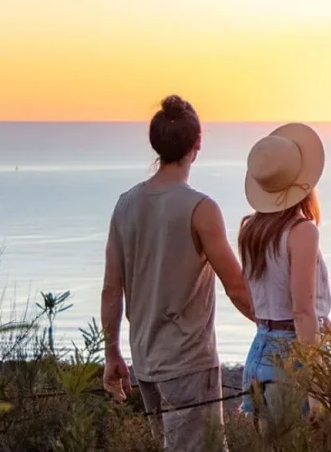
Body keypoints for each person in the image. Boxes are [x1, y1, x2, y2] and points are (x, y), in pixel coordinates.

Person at [101, 95, 256, 451]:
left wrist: (113, 354)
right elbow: (237, 287)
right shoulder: (201, 209)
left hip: (146, 365)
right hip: (188, 365)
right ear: (197, 143)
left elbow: (112, 289)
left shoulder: (125, 204)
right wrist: (279, 330)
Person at [236, 123, 331, 421]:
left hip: (259, 349)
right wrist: (316, 388)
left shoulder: (250, 229)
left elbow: (252, 299)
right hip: (291, 354)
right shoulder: (302, 232)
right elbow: (303, 311)